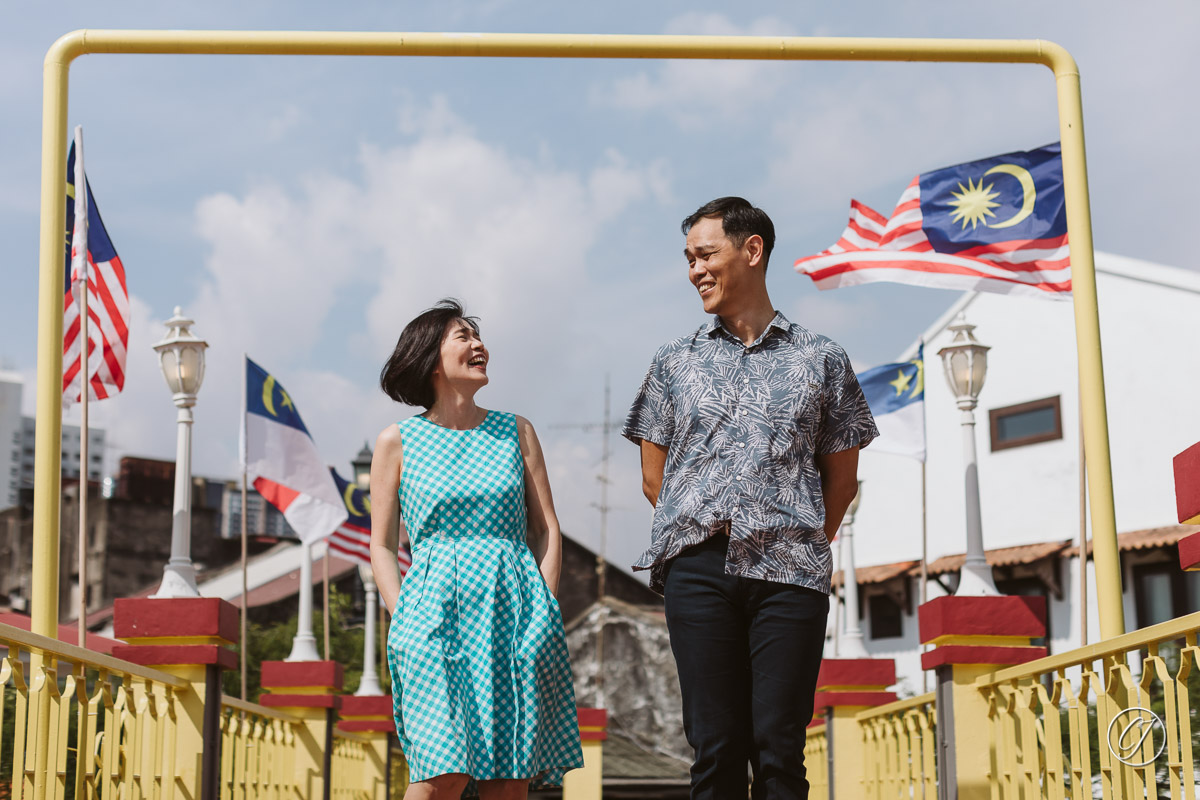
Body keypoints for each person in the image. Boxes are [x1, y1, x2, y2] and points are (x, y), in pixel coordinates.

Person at [622, 197, 878, 800]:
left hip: (791, 573)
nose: (695, 271)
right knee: (716, 746)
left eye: (706, 254)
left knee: (780, 747)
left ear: (752, 251)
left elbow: (842, 479)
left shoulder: (821, 358)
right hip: (699, 570)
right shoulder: (673, 361)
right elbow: (653, 477)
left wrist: (796, 538)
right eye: (688, 259)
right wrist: (701, 535)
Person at [370, 299, 583, 800]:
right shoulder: (396, 441)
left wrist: (544, 608)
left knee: (507, 781)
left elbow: (547, 529)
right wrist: (404, 618)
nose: (478, 344)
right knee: (441, 775)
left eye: (477, 335)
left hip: (514, 613)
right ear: (430, 358)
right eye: (462, 336)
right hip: (429, 615)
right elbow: (380, 545)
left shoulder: (517, 431)